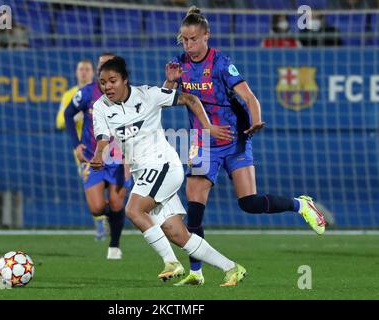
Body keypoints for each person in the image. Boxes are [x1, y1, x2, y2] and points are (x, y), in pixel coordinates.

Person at [164, 6, 326, 286]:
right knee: (195, 210)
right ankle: (197, 272)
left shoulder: (222, 64)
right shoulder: (179, 64)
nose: (188, 45)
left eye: (193, 39)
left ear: (206, 36)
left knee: (249, 203)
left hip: (233, 139)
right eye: (184, 39)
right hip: (202, 142)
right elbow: (165, 99)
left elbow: (249, 97)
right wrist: (169, 81)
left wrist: (257, 120)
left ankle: (301, 205)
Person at [91, 56, 247, 286]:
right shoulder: (100, 107)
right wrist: (98, 154)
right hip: (143, 174)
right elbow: (103, 138)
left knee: (134, 210)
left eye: (112, 81)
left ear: (125, 80)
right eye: (103, 82)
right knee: (177, 234)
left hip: (163, 165)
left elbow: (191, 99)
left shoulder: (148, 95)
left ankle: (172, 263)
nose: (107, 87)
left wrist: (208, 127)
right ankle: (232, 268)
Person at [64, 53, 132, 260]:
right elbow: (68, 113)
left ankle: (114, 245)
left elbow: (136, 127)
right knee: (96, 208)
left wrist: (129, 159)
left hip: (118, 158)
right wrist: (76, 145)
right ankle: (112, 222)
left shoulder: (128, 94)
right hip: (93, 158)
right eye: (101, 65)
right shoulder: (87, 93)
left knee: (117, 203)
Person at [56, 59, 110, 241]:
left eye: (87, 69)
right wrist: (77, 117)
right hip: (84, 151)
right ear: (76, 72)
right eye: (81, 69)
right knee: (94, 190)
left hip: (110, 150)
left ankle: (108, 218)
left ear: (93, 72)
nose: (84, 72)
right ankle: (101, 225)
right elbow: (60, 121)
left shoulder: (104, 90)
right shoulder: (70, 95)